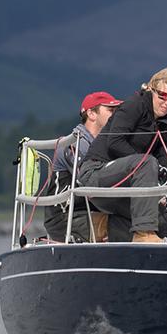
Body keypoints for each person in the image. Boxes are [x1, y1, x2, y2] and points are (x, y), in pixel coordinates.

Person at [78, 68, 167, 243]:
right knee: (145, 162)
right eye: (163, 96)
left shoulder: (166, 122)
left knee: (166, 222)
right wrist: (149, 167)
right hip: (96, 173)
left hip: (126, 186)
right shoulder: (133, 105)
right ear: (151, 90)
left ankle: (120, 242)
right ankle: (143, 233)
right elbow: (115, 142)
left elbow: (166, 160)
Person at [43, 91, 127, 242]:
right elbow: (88, 182)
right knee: (126, 227)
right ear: (91, 114)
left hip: (90, 212)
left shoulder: (106, 144)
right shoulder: (74, 144)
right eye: (110, 110)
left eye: (117, 111)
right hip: (66, 217)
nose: (116, 115)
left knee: (135, 221)